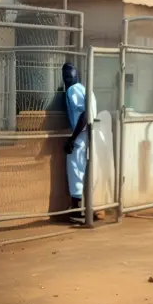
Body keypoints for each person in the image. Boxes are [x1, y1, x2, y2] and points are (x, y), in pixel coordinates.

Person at [61, 62, 100, 224]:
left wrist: (72, 138)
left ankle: (76, 210)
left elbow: (85, 114)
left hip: (81, 134)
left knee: (75, 169)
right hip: (89, 132)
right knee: (85, 170)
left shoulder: (73, 90)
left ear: (76, 76)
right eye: (65, 77)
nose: (67, 80)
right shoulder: (84, 88)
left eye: (69, 76)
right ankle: (88, 208)